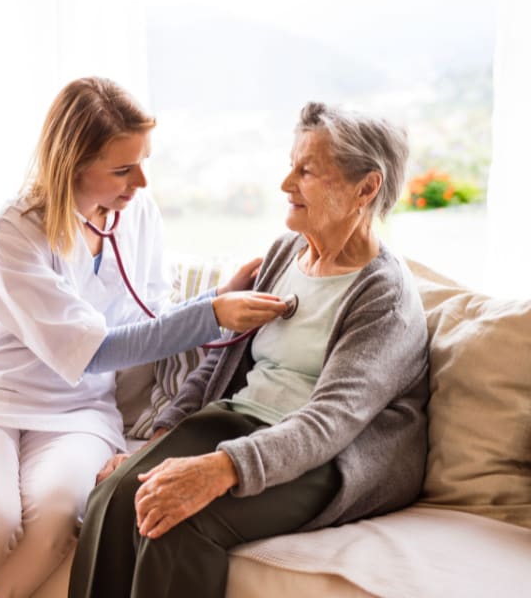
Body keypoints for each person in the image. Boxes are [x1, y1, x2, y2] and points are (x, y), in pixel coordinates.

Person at [0, 76, 288, 597]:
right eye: (122, 169)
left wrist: (218, 298)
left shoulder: (136, 214)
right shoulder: (13, 231)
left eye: (143, 162)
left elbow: (150, 312)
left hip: (77, 408)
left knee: (57, 517)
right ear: (71, 166)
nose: (140, 182)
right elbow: (98, 349)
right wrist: (212, 313)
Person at [69, 101, 430, 598]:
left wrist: (219, 469)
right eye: (291, 164)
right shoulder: (287, 251)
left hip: (329, 459)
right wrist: (162, 435)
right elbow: (223, 358)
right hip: (240, 421)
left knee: (175, 522)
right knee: (114, 495)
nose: (286, 184)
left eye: (306, 171)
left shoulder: (383, 297)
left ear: (365, 188)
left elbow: (329, 423)